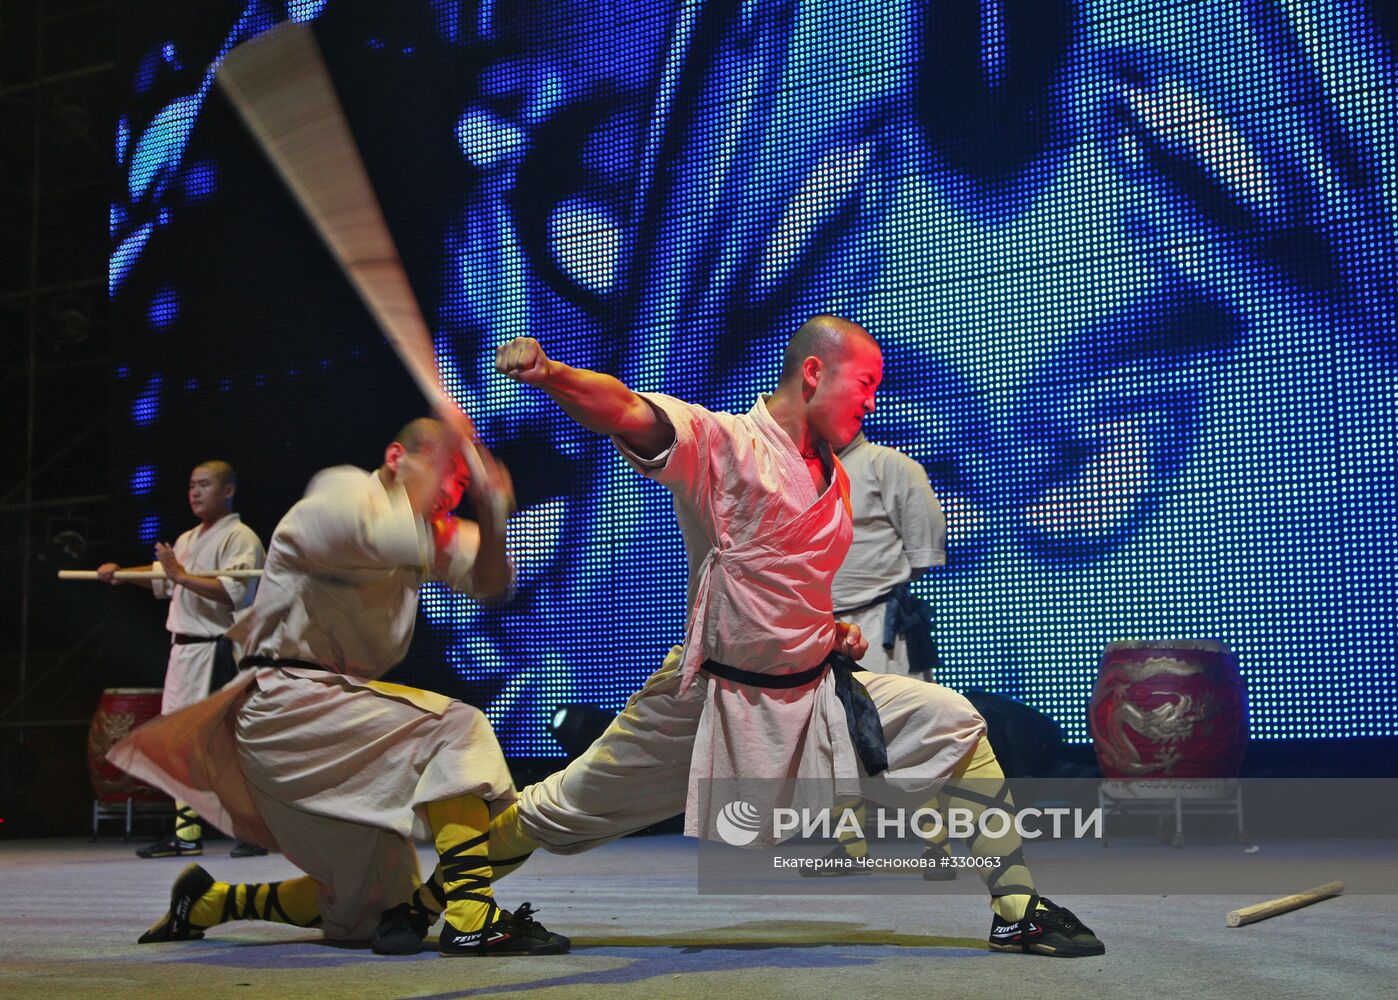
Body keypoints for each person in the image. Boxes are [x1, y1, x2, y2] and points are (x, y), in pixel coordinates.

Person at [456, 315, 1101, 957]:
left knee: (951, 722)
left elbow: (782, 589)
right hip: (708, 705)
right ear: (815, 373)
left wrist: (829, 631)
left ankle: (1017, 909)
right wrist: (550, 373)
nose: (874, 401)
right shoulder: (727, 445)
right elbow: (626, 409)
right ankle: (441, 899)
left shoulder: (835, 478)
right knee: (564, 808)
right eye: (867, 383)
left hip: (811, 697)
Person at [108, 418, 569, 956]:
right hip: (284, 701)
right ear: (396, 457)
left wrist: (491, 515)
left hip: (328, 713)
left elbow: (493, 583)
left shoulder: (423, 530)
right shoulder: (343, 491)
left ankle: (210, 902)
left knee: (365, 909)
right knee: (456, 729)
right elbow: (378, 535)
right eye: (445, 475)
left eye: (461, 487)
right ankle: (471, 916)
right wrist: (468, 510)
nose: (450, 492)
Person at [97, 461, 266, 859]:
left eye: (204, 485)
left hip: (215, 653)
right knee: (179, 745)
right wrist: (120, 573)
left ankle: (253, 829)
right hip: (183, 652)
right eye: (191, 485)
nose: (195, 492)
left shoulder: (241, 537)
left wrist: (180, 574)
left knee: (222, 745)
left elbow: (233, 593)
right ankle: (187, 833)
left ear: (228, 490)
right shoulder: (189, 537)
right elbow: (162, 577)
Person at [832, 433, 946, 682]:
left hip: (879, 628)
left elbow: (923, 552)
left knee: (889, 716)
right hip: (816, 633)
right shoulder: (799, 471)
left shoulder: (889, 464)